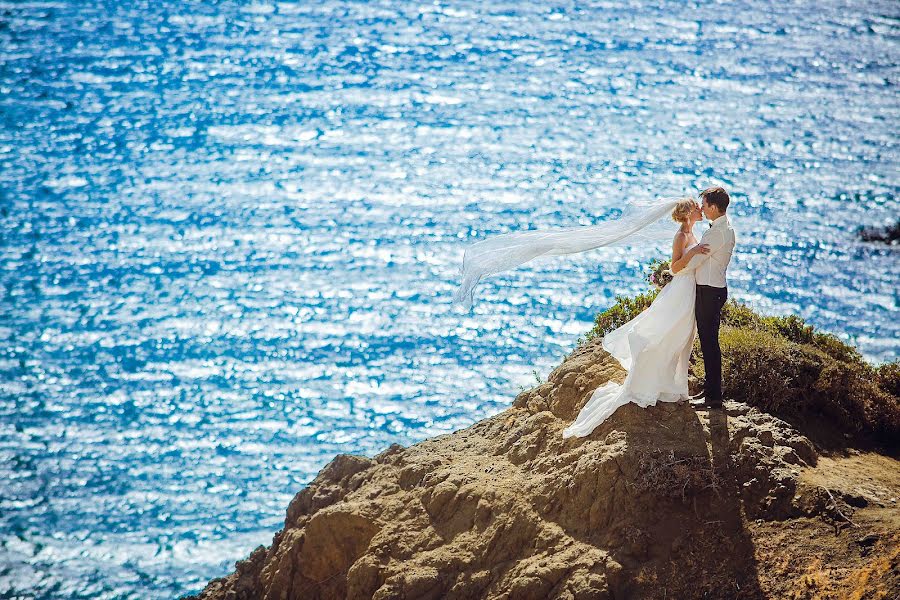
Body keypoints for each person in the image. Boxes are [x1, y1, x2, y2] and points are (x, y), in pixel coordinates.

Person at [680, 187, 736, 409]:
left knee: (709, 343)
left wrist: (676, 270)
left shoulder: (716, 233)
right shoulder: (724, 229)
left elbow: (696, 261)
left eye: (704, 205)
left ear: (713, 207)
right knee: (709, 342)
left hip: (710, 291)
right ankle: (711, 391)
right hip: (713, 289)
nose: (701, 208)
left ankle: (713, 397)